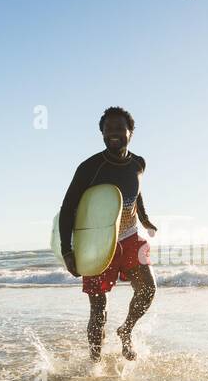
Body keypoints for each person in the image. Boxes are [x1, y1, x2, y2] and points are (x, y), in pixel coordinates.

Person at [58, 107, 158, 361]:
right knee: (98, 309)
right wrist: (67, 250)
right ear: (101, 132)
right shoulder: (89, 167)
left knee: (148, 290)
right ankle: (95, 363)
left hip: (130, 236)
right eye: (108, 129)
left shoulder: (138, 163)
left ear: (131, 132)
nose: (113, 133)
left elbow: (136, 193)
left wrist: (145, 219)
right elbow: (68, 207)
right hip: (97, 242)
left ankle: (126, 330)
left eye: (119, 129)